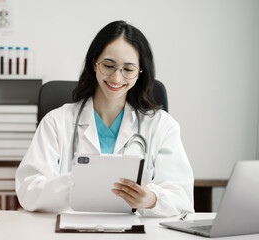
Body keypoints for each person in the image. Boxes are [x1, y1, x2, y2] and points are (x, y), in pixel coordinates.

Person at [15, 20, 194, 217]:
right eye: (109, 65)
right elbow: (28, 190)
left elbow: (183, 198)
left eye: (128, 69)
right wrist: (74, 184)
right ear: (94, 64)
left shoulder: (161, 126)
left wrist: (151, 200)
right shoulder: (57, 122)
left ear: (140, 72)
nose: (117, 78)